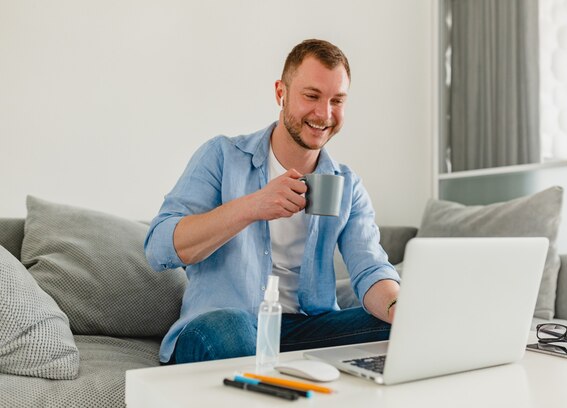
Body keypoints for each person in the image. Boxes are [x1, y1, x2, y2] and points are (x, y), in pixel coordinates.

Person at [145, 39, 401, 365]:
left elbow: (370, 268)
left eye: (337, 100)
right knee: (232, 327)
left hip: (303, 329)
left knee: (397, 329)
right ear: (281, 93)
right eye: (311, 96)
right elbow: (158, 248)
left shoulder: (345, 185)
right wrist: (252, 206)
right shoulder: (222, 157)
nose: (324, 114)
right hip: (224, 325)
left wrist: (398, 308)